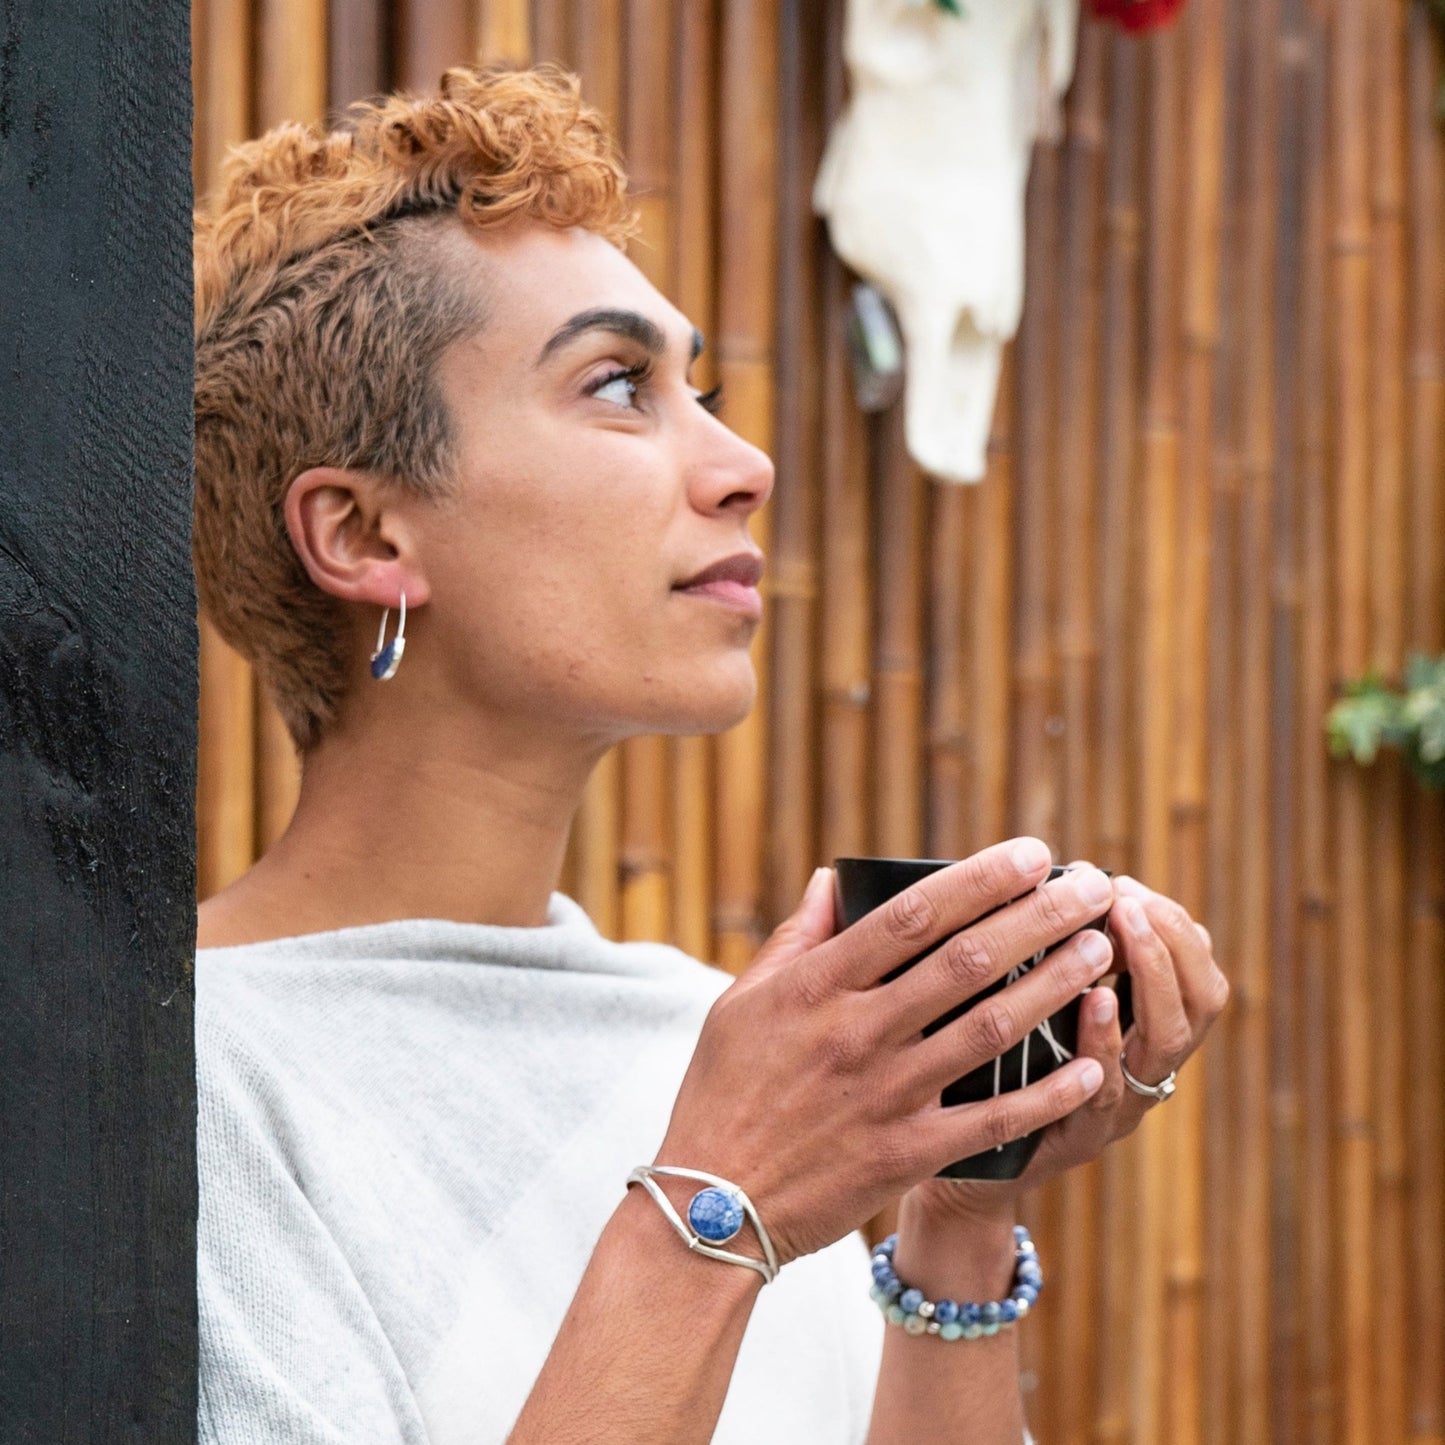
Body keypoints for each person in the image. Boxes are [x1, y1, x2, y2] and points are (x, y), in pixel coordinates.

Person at [191, 64, 1228, 1445]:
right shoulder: (177, 1081)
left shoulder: (720, 1044)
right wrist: (716, 1196)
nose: (745, 461)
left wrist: (959, 1218)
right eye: (618, 385)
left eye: (705, 388)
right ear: (367, 537)